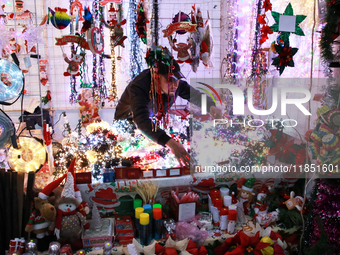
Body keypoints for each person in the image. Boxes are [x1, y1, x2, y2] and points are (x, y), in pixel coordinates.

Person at [114, 48, 222, 167]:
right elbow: (141, 119)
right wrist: (170, 143)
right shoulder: (139, 86)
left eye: (176, 81)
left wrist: (211, 106)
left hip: (150, 126)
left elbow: (194, 95)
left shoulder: (177, 85)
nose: (174, 85)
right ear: (156, 77)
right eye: (169, 81)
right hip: (127, 127)